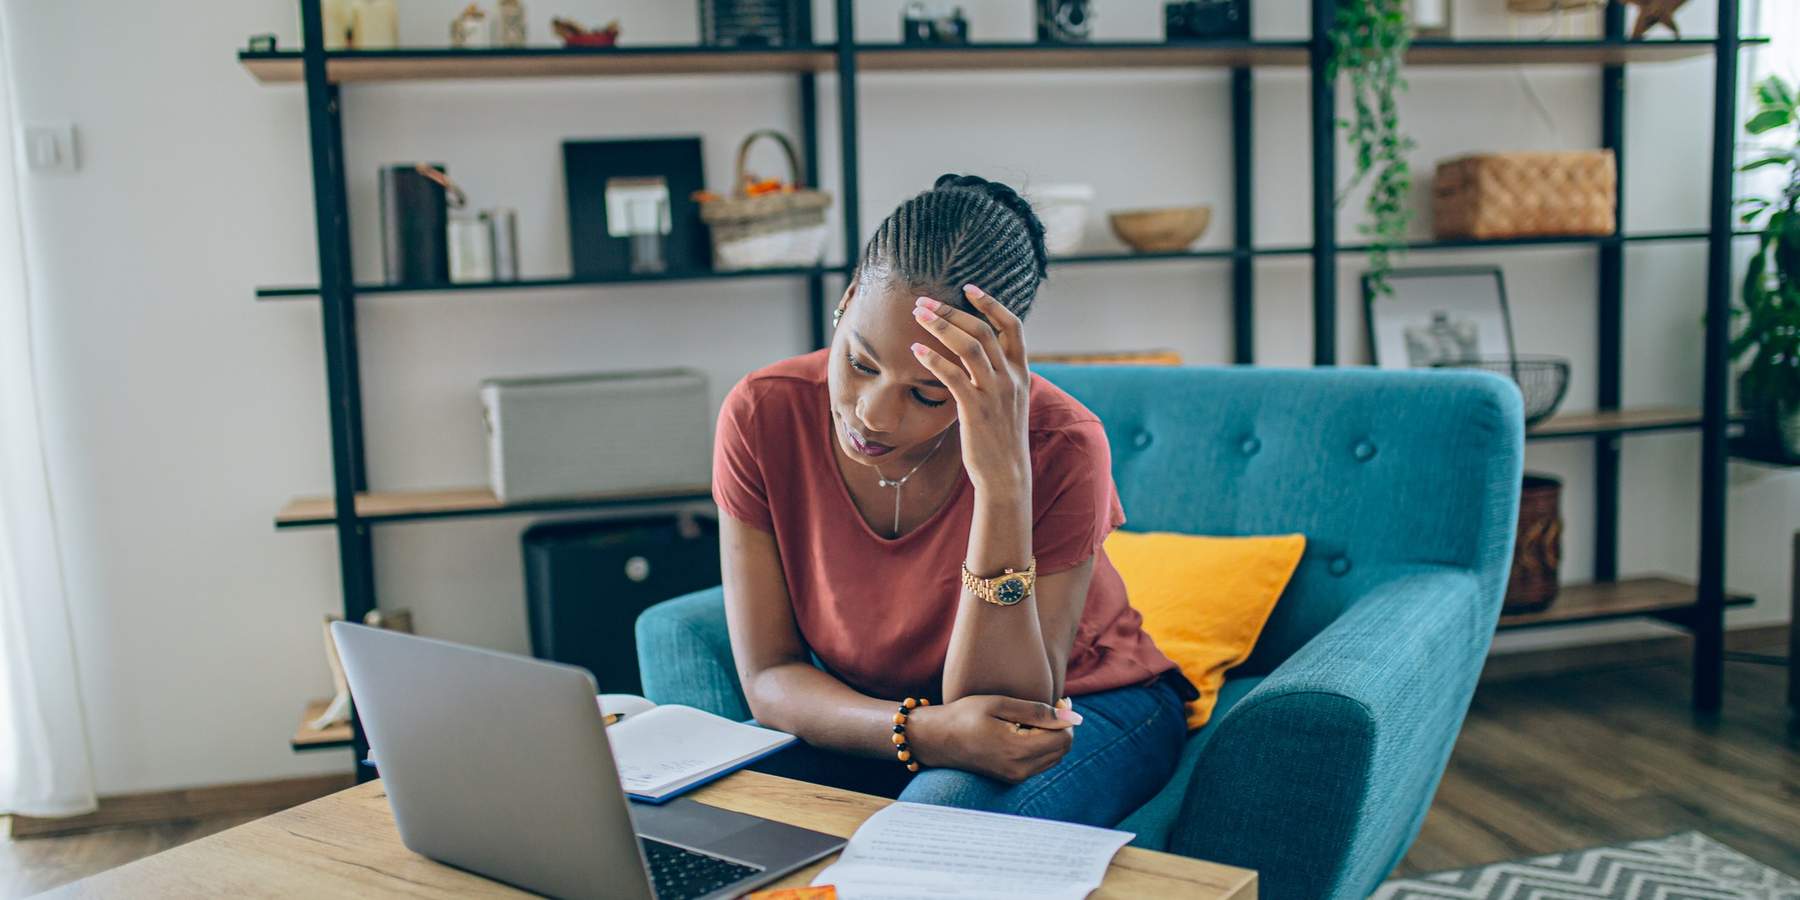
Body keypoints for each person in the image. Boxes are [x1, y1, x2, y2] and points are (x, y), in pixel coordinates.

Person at [713, 174, 1195, 827]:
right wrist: (922, 732)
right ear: (847, 301)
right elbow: (770, 675)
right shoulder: (762, 413)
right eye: (859, 363)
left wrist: (1002, 484)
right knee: (720, 798)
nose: (873, 415)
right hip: (906, 717)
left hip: (1082, 707)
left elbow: (1005, 710)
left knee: (948, 814)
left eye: (927, 394)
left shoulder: (1062, 445)